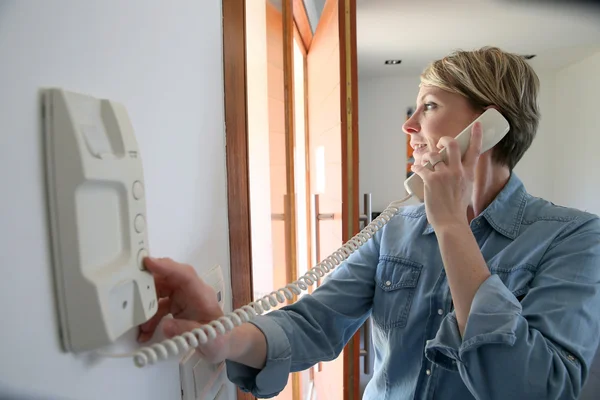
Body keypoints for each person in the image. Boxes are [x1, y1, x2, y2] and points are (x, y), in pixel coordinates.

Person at [137, 46, 600, 399]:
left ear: (487, 125)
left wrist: (452, 229)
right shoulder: (395, 229)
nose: (409, 125)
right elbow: (316, 322)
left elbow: (536, 387)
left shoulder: (574, 237)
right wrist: (227, 338)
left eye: (430, 106)